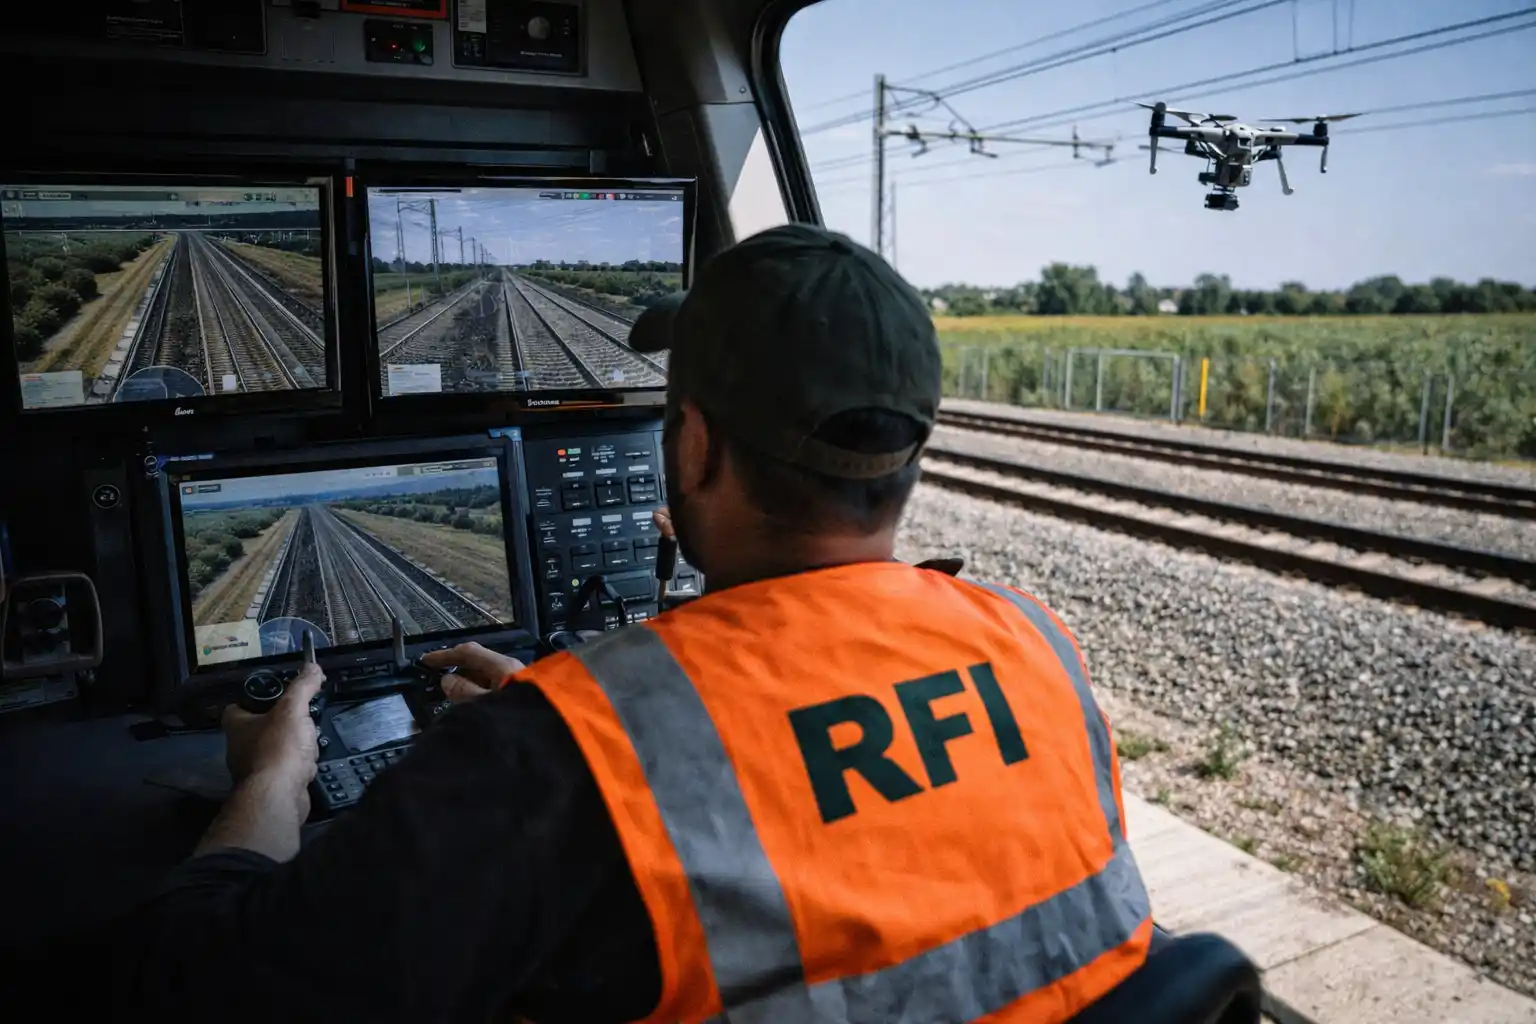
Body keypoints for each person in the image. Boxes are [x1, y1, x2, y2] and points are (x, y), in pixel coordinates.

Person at [113, 224, 1151, 1023]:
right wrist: (562, 742)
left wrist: (275, 775)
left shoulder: (552, 759)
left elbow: (197, 984)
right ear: (910, 458)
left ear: (692, 446)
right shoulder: (1041, 644)